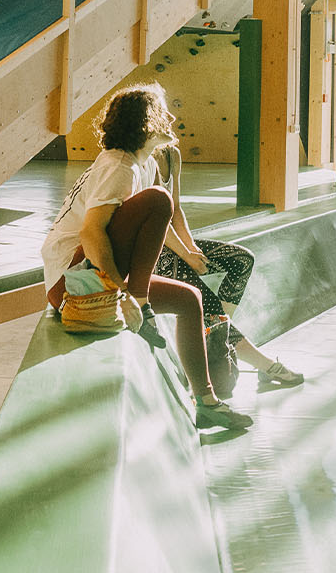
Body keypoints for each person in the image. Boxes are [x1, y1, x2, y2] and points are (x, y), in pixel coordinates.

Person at [40, 84, 253, 430]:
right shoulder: (118, 165)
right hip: (71, 279)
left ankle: (207, 402)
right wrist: (125, 295)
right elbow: (91, 232)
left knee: (190, 299)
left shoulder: (146, 165)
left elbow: (158, 222)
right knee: (159, 200)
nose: (171, 118)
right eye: (163, 111)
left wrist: (188, 253)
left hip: (94, 270)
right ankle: (143, 302)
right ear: (146, 122)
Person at [150, 143, 305, 393]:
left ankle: (218, 338)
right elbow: (156, 221)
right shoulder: (147, 157)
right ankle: (265, 365)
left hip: (175, 245)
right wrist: (187, 255)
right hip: (152, 251)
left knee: (241, 261)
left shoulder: (173, 154)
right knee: (208, 304)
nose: (170, 117)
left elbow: (175, 209)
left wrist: (191, 247)